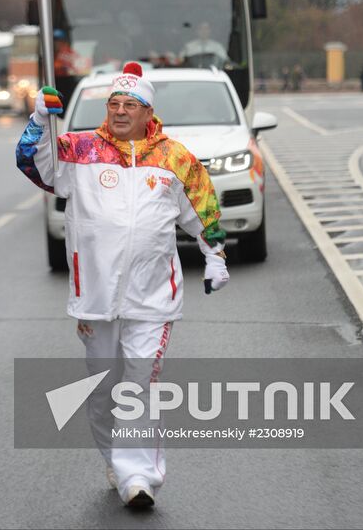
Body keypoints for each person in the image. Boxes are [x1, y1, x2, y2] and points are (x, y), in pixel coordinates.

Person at [16, 62, 228, 510]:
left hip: (153, 297)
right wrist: (40, 120)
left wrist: (214, 255)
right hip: (94, 296)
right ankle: (115, 459)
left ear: (148, 111)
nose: (119, 111)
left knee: (139, 384)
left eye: (130, 104)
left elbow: (202, 208)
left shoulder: (174, 158)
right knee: (103, 389)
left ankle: (139, 477)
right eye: (113, 103)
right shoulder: (79, 150)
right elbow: (34, 166)